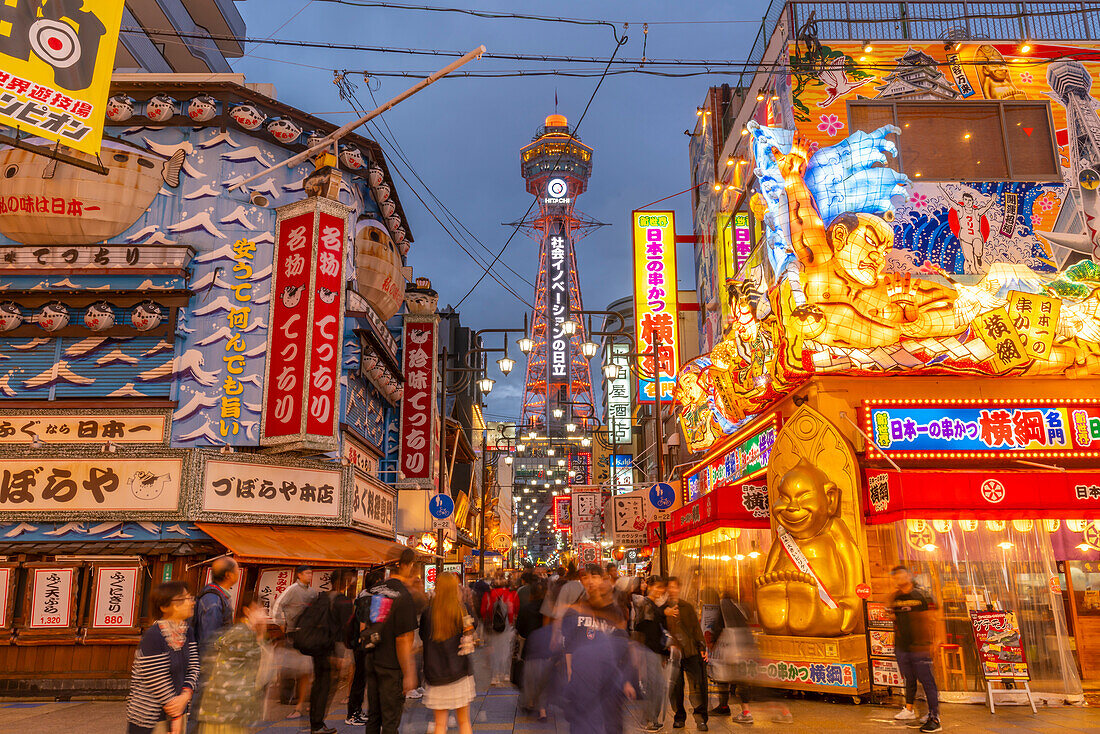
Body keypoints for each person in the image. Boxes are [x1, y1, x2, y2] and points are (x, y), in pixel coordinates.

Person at [560, 564, 635, 734]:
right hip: (584, 679)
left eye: (595, 576)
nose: (590, 581)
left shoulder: (615, 611)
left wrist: (625, 680)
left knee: (612, 725)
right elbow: (569, 646)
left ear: (603, 580)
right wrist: (571, 674)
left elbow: (624, 647)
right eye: (586, 577)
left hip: (610, 680)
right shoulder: (574, 611)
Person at [704, 590, 792, 725]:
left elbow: (718, 627)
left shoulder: (723, 605)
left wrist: (712, 642)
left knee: (746, 683)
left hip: (734, 650)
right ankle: (745, 711)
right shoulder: (738, 606)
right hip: (747, 648)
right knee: (744, 681)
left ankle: (780, 711)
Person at [126, 581, 200, 734]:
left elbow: (194, 667)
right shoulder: (154, 635)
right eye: (184, 599)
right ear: (165, 607)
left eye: (190, 598)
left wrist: (185, 695)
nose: (191, 602)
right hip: (149, 716)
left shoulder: (187, 632)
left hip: (179, 709)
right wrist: (176, 713)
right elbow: (156, 678)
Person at [362, 548, 421, 734]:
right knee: (390, 720)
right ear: (408, 565)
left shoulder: (374, 591)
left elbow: (364, 627)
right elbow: (403, 639)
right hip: (392, 667)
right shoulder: (403, 595)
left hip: (372, 660)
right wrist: (409, 673)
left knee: (374, 715)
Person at [195, 592, 270, 734]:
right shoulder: (243, 634)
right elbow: (263, 671)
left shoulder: (240, 631)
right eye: (259, 609)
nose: (263, 614)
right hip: (226, 708)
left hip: (224, 707)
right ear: (247, 611)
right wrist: (261, 634)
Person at [294, 569, 353, 734]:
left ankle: (315, 723)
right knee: (325, 687)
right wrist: (344, 655)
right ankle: (317, 725)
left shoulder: (321, 597)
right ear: (346, 581)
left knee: (318, 685)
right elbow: (345, 629)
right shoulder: (343, 601)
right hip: (329, 649)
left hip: (316, 646)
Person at [420, 573, 476, 734]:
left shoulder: (428, 613)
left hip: (436, 675)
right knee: (464, 721)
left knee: (439, 724)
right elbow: (472, 629)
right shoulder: (461, 610)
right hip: (459, 672)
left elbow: (423, 636)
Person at [188, 558, 239, 734]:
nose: (239, 573)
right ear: (228, 575)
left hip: (213, 663)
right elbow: (210, 638)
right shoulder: (213, 599)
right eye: (237, 569)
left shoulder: (217, 596)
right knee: (201, 708)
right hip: (210, 664)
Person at [889, 566, 941, 733]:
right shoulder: (895, 597)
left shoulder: (922, 595)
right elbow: (894, 619)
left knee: (927, 681)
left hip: (920, 647)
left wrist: (936, 640)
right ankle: (910, 710)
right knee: (909, 678)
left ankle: (935, 718)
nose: (899, 578)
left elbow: (935, 616)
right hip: (902, 647)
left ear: (909, 576)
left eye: (902, 574)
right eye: (896, 575)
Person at [272, 566, 317, 721]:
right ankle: (287, 697)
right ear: (299, 575)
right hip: (292, 632)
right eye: (307, 573)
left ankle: (301, 699)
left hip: (307, 634)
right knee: (291, 666)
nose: (310, 575)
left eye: (311, 573)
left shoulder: (313, 593)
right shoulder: (292, 589)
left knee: (305, 667)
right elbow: (278, 605)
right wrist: (281, 623)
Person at [665, 577, 708, 731]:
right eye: (669, 587)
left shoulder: (686, 607)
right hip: (673, 654)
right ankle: (679, 717)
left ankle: (700, 718)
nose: (672, 590)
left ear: (679, 589)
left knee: (696, 686)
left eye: (674, 587)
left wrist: (702, 647)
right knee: (676, 689)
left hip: (690, 652)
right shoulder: (664, 609)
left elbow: (696, 629)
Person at [347, 569, 385, 725]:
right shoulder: (367, 599)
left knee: (362, 679)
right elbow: (363, 625)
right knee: (359, 679)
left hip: (362, 644)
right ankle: (352, 714)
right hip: (362, 645)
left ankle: (357, 711)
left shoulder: (363, 596)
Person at [634, 576, 670, 733]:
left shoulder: (653, 604)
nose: (660, 590)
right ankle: (649, 720)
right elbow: (642, 628)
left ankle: (651, 718)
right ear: (649, 586)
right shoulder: (646, 604)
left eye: (662, 587)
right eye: (657, 587)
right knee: (653, 685)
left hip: (655, 650)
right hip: (649, 650)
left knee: (657, 685)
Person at [515, 580, 550, 720]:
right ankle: (542, 710)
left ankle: (530, 703)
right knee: (544, 679)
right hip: (547, 649)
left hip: (531, 649)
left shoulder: (525, 608)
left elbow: (520, 630)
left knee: (530, 678)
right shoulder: (549, 610)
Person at [480, 572, 518, 685]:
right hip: (506, 627)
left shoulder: (488, 595)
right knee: (506, 651)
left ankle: (494, 676)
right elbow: (512, 610)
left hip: (493, 627)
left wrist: (487, 622)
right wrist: (511, 623)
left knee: (494, 651)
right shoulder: (509, 594)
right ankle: (505, 674)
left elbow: (483, 611)